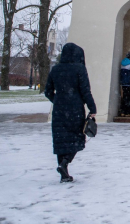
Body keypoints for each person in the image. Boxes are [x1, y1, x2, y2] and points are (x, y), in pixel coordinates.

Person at [44, 43, 96, 183]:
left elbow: (47, 91)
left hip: (59, 110)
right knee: (77, 137)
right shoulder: (79, 69)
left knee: (60, 139)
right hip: (75, 109)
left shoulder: (55, 69)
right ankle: (65, 162)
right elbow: (85, 91)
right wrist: (92, 109)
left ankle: (63, 172)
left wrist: (58, 101)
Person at [118, 51, 130, 116]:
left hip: (123, 83)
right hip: (129, 82)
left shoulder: (122, 63)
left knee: (124, 96)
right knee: (129, 97)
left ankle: (123, 111)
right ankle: (128, 111)